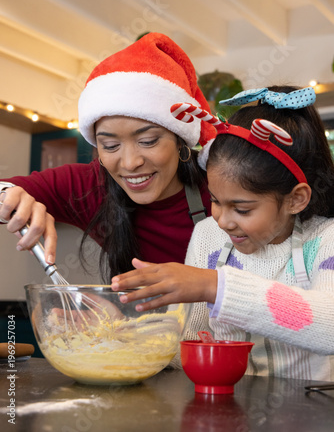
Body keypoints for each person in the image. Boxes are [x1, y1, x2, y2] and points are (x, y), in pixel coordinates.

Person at [111, 86, 334, 380]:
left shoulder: (324, 240)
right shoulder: (208, 236)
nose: (222, 221)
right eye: (215, 200)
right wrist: (125, 333)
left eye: (242, 209)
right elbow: (189, 342)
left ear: (296, 199)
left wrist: (216, 286)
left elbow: (328, 327)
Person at [0, 32, 217, 282]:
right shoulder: (92, 185)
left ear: (181, 138)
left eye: (148, 141)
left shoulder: (219, 187)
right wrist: (7, 198)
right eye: (110, 145)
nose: (129, 163)